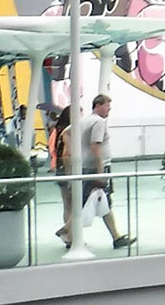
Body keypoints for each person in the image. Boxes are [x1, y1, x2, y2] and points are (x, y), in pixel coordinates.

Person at [74, 94, 134, 249]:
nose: (109, 109)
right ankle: (69, 234)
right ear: (98, 105)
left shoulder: (83, 121)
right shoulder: (99, 122)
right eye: (107, 105)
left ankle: (116, 236)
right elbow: (95, 146)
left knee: (98, 201)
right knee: (98, 200)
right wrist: (101, 171)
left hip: (86, 166)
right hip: (97, 168)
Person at [49, 105, 75, 248]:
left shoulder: (56, 130)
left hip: (59, 168)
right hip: (68, 169)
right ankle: (68, 233)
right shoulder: (69, 132)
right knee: (76, 203)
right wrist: (71, 173)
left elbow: (52, 149)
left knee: (67, 205)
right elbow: (68, 153)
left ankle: (69, 237)